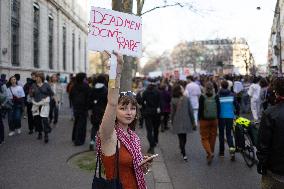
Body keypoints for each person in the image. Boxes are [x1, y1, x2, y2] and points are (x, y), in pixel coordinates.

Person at [96, 54, 148, 189]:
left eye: (132, 108)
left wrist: (143, 166)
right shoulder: (109, 136)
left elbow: (133, 169)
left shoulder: (133, 137)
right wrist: (116, 72)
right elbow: (112, 102)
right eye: (123, 108)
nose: (129, 112)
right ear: (115, 111)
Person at [256, 77, 284, 189]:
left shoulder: (269, 113)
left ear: (275, 92)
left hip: (275, 170)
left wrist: (262, 162)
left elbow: (263, 144)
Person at [171, 83, 195, 161]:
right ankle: (184, 153)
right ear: (180, 90)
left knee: (180, 137)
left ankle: (182, 149)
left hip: (177, 120)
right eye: (182, 88)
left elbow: (172, 112)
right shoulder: (186, 99)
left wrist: (172, 121)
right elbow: (191, 111)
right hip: (186, 120)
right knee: (184, 137)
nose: (183, 89)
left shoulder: (173, 100)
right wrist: (193, 121)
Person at [198, 82, 220, 165]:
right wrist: (217, 118)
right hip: (214, 119)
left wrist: (199, 119)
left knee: (204, 138)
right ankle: (210, 153)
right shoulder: (216, 96)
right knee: (213, 137)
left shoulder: (202, 97)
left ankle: (210, 153)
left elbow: (200, 109)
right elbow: (218, 108)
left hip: (204, 120)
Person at [218, 80, 239, 161]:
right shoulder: (232, 94)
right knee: (229, 134)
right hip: (230, 116)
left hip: (221, 117)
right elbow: (237, 105)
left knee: (221, 135)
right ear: (228, 86)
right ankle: (232, 152)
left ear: (221, 86)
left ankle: (222, 152)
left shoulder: (218, 95)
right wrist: (237, 113)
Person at [30, 72, 54, 143]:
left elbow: (51, 93)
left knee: (44, 120)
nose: (37, 78)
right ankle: (40, 133)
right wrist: (31, 93)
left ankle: (46, 134)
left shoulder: (46, 85)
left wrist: (50, 100)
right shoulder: (33, 85)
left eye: (38, 77)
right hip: (36, 105)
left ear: (41, 78)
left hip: (44, 104)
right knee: (37, 120)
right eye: (36, 77)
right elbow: (31, 94)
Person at [70, 73, 90, 146]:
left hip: (76, 107)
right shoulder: (86, 86)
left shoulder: (74, 86)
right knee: (82, 124)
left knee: (76, 122)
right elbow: (88, 97)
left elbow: (71, 96)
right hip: (83, 108)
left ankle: (74, 137)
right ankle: (79, 140)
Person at [142, 78, 161, 154]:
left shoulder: (145, 92)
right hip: (156, 112)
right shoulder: (158, 92)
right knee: (156, 128)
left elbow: (142, 101)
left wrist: (144, 108)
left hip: (148, 112)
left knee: (149, 130)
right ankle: (155, 140)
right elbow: (160, 102)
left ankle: (151, 145)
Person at [89, 74, 108, 151]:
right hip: (103, 111)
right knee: (103, 128)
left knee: (94, 127)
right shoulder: (105, 90)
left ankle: (92, 141)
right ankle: (102, 145)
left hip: (94, 111)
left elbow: (90, 100)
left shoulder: (92, 89)